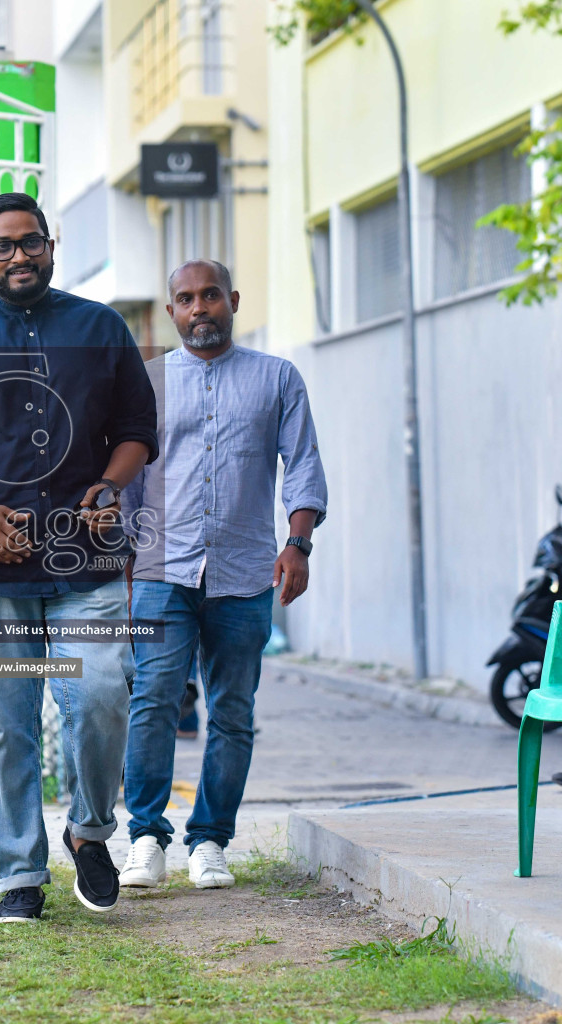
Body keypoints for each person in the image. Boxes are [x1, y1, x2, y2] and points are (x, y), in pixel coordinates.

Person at [0, 191, 159, 924]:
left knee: (104, 691)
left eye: (30, 242)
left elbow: (139, 427)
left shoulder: (99, 327)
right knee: (6, 719)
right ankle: (18, 871)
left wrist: (111, 487)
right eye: (2, 246)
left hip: (87, 561)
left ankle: (89, 830)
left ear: (50, 245)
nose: (18, 256)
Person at [118, 259, 327, 891]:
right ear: (171, 310)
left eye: (211, 295)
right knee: (153, 701)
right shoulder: (146, 383)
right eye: (185, 299)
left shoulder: (277, 378)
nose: (199, 308)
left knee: (233, 710)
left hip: (244, 572)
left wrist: (298, 543)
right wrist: (126, 562)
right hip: (161, 570)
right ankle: (147, 839)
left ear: (232, 300)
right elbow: (126, 474)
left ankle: (210, 840)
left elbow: (305, 463)